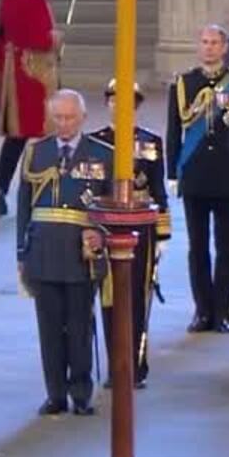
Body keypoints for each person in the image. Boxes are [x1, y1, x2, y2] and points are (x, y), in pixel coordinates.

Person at [18, 89, 110, 414]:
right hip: (43, 251)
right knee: (49, 329)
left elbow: (111, 207)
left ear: (83, 117)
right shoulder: (36, 152)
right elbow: (24, 208)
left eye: (70, 117)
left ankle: (81, 392)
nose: (64, 124)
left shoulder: (101, 154)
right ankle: (55, 393)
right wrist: (21, 253)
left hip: (79, 254)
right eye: (58, 117)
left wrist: (100, 234)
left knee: (80, 327)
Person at [87, 80, 168, 387]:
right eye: (114, 100)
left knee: (138, 297)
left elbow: (158, 190)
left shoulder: (151, 142)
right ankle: (115, 365)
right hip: (107, 226)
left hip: (142, 227)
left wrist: (162, 235)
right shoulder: (96, 143)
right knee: (110, 299)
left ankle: (135, 363)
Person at [167, 24, 229, 334]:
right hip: (196, 173)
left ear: (225, 47)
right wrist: (172, 172)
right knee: (197, 246)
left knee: (226, 247)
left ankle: (221, 310)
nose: (210, 47)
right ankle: (202, 310)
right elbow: (174, 132)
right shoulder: (184, 84)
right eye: (205, 42)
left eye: (215, 42)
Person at [0, 0, 62, 214]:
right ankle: (44, 188)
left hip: (15, 70)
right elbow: (39, 39)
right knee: (45, 131)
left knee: (16, 137)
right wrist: (56, 38)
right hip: (33, 75)